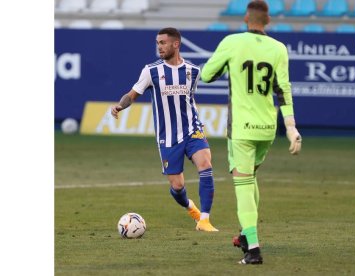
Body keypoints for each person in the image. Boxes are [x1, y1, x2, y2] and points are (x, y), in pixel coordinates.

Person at [201, 0, 302, 264]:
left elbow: (206, 75)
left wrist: (227, 66)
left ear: (246, 18)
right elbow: (284, 89)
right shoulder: (279, 48)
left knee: (243, 185)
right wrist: (291, 127)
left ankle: (253, 250)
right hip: (268, 129)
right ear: (268, 21)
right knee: (251, 178)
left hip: (242, 129)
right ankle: (247, 235)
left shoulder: (232, 42)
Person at [111, 27, 218, 232]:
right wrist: (119, 106)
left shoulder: (193, 71)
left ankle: (204, 220)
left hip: (192, 129)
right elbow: (132, 94)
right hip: (168, 136)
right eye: (157, 43)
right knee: (177, 186)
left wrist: (197, 123)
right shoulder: (151, 71)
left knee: (205, 164)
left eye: (163, 42)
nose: (159, 46)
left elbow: (190, 100)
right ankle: (191, 207)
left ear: (175, 44)